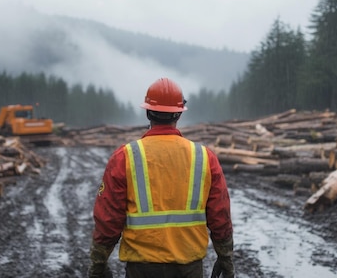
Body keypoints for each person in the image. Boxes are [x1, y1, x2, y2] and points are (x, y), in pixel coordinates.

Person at [88, 77, 235, 278]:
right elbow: (220, 215)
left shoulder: (125, 157)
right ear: (179, 114)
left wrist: (98, 264)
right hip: (189, 268)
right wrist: (225, 257)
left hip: (142, 268)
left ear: (148, 112)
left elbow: (108, 219)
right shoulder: (203, 157)